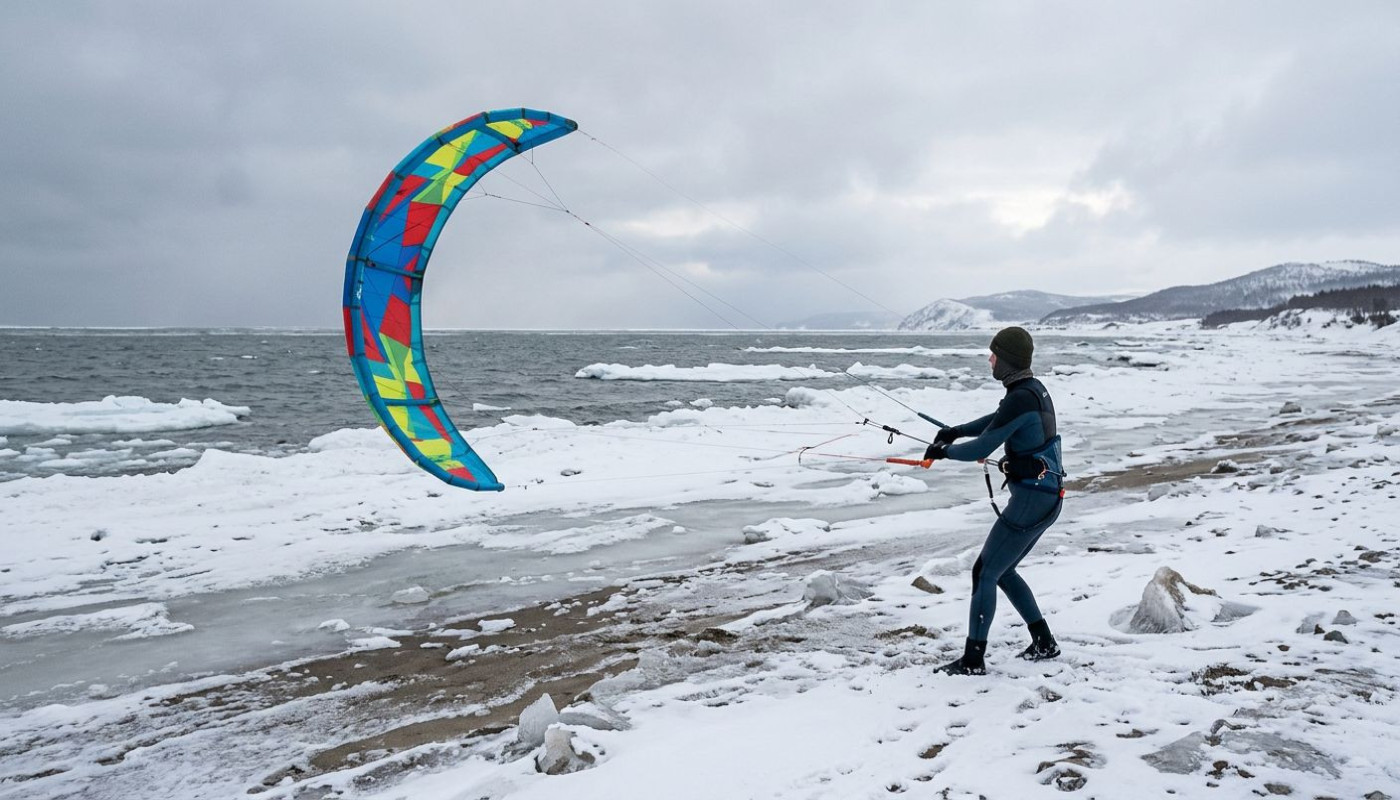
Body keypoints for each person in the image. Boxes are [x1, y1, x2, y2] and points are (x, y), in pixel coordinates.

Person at [922, 326, 1064, 675]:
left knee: (984, 571)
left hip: (1033, 498)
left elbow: (983, 448)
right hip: (1047, 496)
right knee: (1002, 570)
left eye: (994, 354)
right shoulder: (1030, 390)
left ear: (1008, 360)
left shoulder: (1021, 396)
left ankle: (973, 660)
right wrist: (956, 430)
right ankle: (1044, 642)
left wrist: (944, 452)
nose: (990, 359)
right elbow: (996, 422)